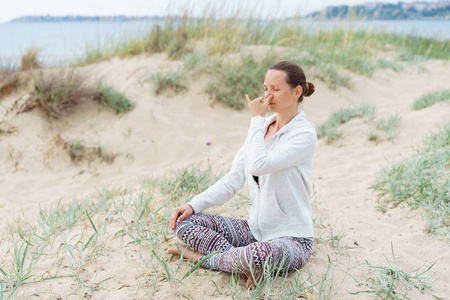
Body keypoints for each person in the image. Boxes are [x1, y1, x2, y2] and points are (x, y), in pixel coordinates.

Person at [166, 60, 317, 288]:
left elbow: (258, 165)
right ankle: (241, 264)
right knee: (184, 223)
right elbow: (234, 179)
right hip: (255, 231)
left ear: (296, 92)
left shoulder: (304, 134)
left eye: (275, 90)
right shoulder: (262, 128)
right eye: (266, 88)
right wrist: (193, 205)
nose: (268, 96)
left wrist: (256, 120)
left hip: (292, 238)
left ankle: (203, 258)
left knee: (256, 254)